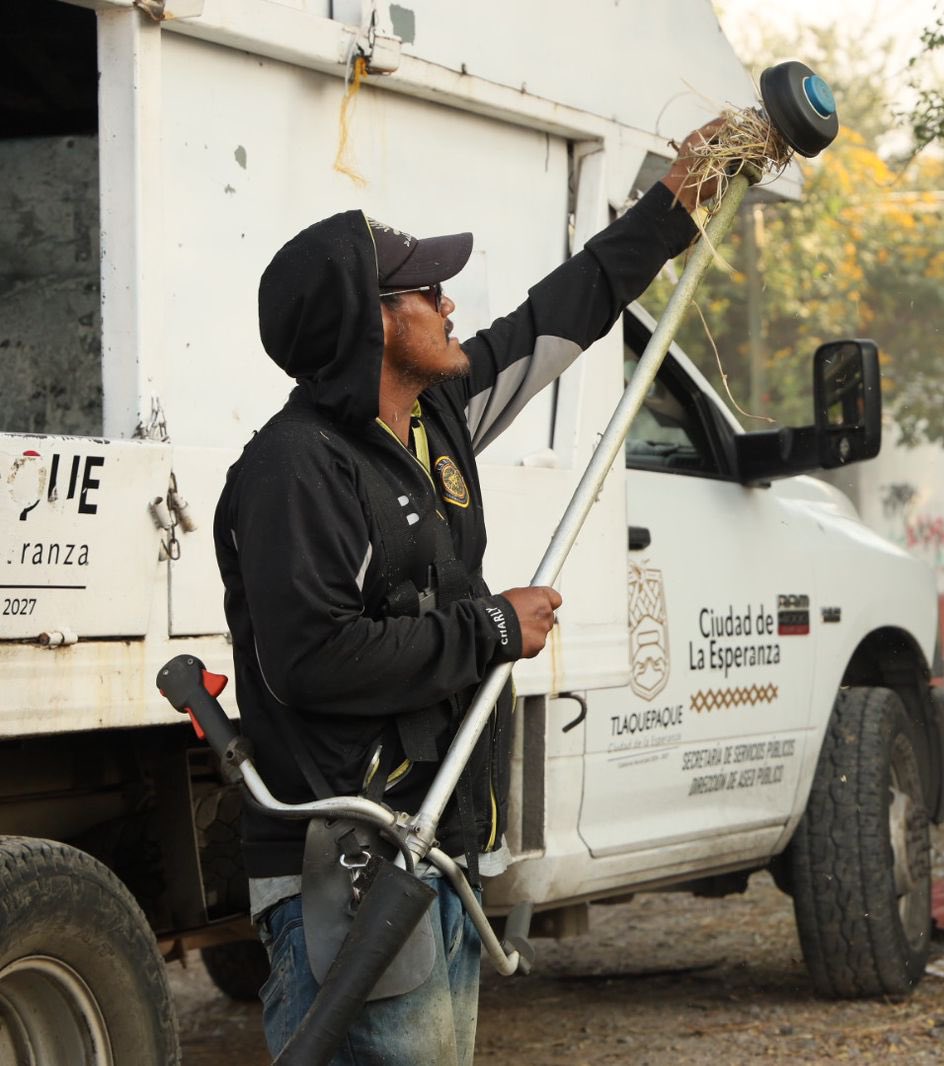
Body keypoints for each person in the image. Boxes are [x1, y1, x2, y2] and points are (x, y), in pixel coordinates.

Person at [214, 120, 724, 1064]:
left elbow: (560, 315)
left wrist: (678, 201)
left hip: (439, 848)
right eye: (425, 290)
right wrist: (492, 627)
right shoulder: (293, 472)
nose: (450, 304)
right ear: (371, 321)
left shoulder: (437, 417)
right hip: (348, 870)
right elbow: (313, 661)